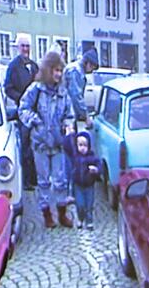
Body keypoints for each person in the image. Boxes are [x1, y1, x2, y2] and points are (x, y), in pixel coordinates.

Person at [19, 51, 75, 229]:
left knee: (60, 180)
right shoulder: (36, 89)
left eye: (60, 70)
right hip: (40, 143)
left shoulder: (63, 92)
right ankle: (46, 215)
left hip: (58, 144)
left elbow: (70, 114)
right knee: (43, 181)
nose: (58, 74)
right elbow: (23, 108)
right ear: (47, 70)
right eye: (55, 70)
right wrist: (35, 120)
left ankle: (62, 213)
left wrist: (68, 125)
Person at [4, 32, 39, 189]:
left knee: (35, 145)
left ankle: (34, 178)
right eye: (23, 46)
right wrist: (22, 98)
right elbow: (8, 88)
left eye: (27, 46)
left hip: (35, 111)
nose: (25, 49)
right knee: (24, 146)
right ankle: (25, 182)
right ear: (18, 47)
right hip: (23, 112)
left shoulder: (34, 65)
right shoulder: (13, 66)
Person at [62, 48, 99, 198]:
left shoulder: (75, 69)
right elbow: (76, 96)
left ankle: (70, 188)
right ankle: (68, 191)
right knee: (69, 152)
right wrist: (86, 116)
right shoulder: (76, 72)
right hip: (67, 117)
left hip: (69, 116)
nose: (92, 72)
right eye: (93, 67)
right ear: (88, 63)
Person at [63, 129, 101, 229]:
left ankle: (89, 221)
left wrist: (96, 170)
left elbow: (99, 166)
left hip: (89, 185)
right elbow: (66, 146)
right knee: (80, 205)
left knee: (89, 205)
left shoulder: (92, 157)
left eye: (85, 145)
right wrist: (69, 134)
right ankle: (80, 218)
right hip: (78, 185)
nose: (82, 148)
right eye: (80, 145)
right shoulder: (75, 156)